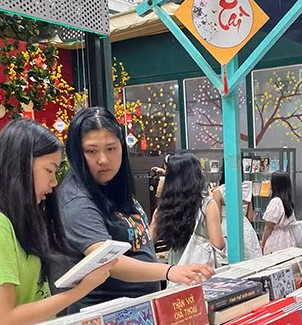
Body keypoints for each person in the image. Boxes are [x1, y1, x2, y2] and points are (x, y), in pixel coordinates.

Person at [0, 119, 117, 325]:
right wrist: (80, 290)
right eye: (49, 170)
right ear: (21, 166)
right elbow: (3, 323)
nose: (54, 182)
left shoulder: (2, 217)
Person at [55, 108, 213, 312]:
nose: (103, 159)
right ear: (76, 153)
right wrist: (170, 271)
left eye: (111, 148)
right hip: (104, 316)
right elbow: (108, 261)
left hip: (139, 309)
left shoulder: (114, 186)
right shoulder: (76, 198)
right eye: (91, 151)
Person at [151, 152, 225, 266]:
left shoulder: (163, 208)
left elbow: (149, 240)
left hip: (175, 268)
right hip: (201, 269)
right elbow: (218, 244)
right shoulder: (208, 205)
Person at [211, 165, 263, 260]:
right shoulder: (247, 189)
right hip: (246, 228)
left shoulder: (218, 192)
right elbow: (250, 216)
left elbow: (217, 218)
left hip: (226, 229)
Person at [261, 171, 302, 255]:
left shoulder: (275, 201)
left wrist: (263, 243)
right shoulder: (287, 201)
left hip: (276, 240)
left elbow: (268, 226)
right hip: (288, 238)